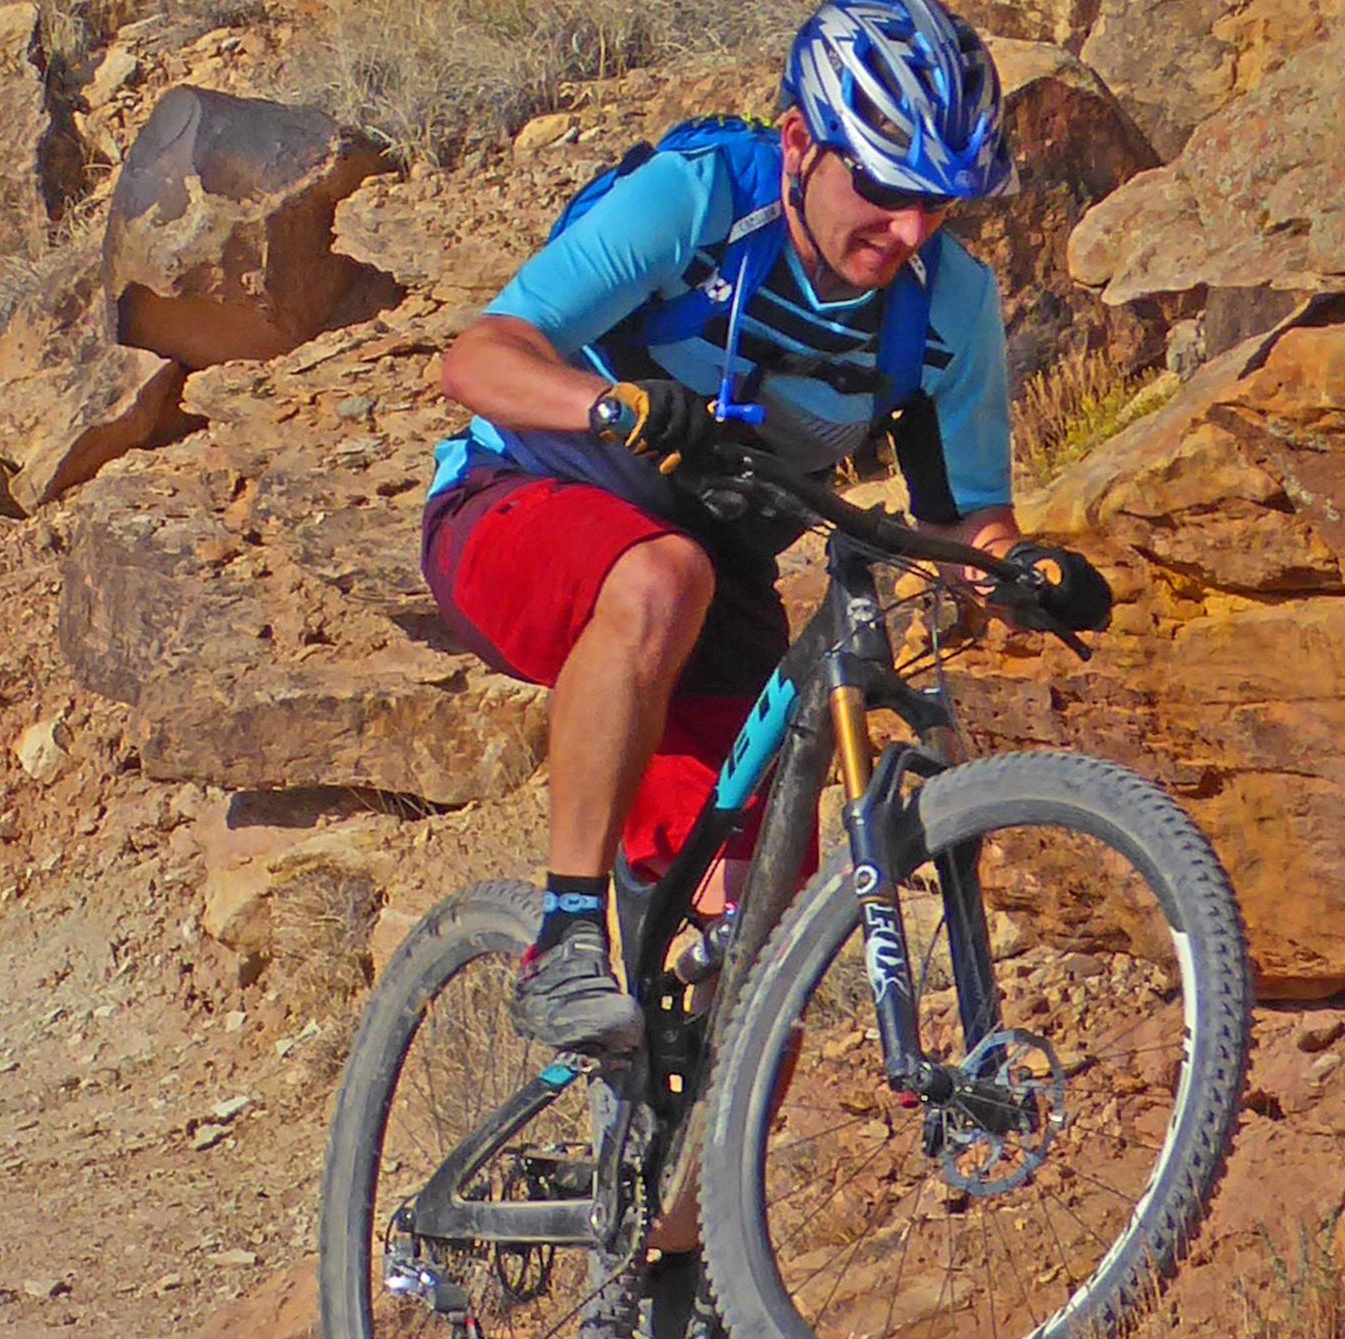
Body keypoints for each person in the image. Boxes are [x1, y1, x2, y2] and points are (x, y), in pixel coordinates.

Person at [421, 0, 1114, 1059]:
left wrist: (1018, 569)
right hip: (518, 505)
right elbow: (477, 358)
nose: (910, 230)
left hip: (712, 579)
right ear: (800, 143)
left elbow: (964, 519)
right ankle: (563, 938)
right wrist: (606, 408)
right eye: (883, 186)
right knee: (660, 575)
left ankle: (683, 1222)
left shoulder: (947, 303)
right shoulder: (698, 201)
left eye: (936, 200)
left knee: (761, 936)